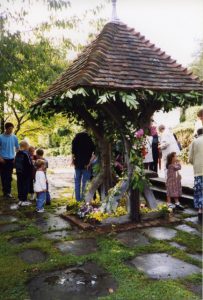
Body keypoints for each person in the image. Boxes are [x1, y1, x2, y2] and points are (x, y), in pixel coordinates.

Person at [72, 131, 95, 201]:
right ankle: (83, 200)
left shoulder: (75, 140)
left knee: (77, 183)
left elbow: (73, 153)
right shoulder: (90, 140)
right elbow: (94, 154)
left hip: (77, 164)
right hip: (86, 165)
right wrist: (89, 163)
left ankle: (77, 200)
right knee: (85, 183)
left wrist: (73, 161)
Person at [0, 122, 19, 198]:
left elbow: (17, 148)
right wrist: (0, 158)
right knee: (4, 176)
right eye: (10, 129)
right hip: (3, 160)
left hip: (12, 159)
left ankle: (8, 192)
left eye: (12, 129)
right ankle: (6, 192)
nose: (11, 130)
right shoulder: (0, 137)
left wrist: (16, 157)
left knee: (9, 176)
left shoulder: (14, 137)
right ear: (6, 129)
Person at [189, 127, 203, 223]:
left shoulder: (194, 142)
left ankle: (200, 212)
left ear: (197, 133)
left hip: (198, 171)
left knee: (199, 191)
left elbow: (190, 158)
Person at [15, 140, 33, 206]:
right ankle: (24, 200)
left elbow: (15, 163)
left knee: (20, 186)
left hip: (19, 172)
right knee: (25, 186)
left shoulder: (17, 153)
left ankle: (20, 200)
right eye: (28, 146)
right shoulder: (26, 153)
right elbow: (29, 164)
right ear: (26, 146)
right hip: (26, 173)